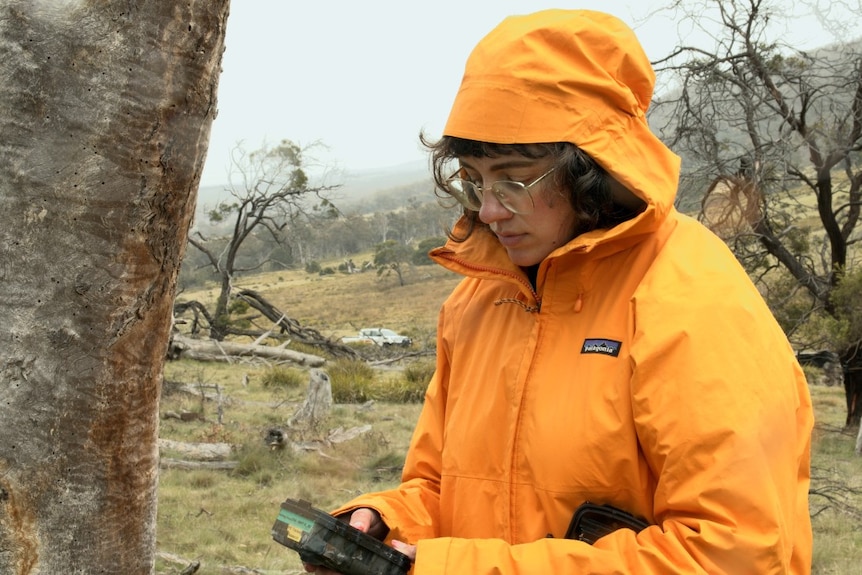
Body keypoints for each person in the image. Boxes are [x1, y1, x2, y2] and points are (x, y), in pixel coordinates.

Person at [307, 9, 814, 574]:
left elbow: (733, 552)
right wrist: (384, 523)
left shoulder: (691, 298)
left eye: (515, 180)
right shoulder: (478, 302)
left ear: (592, 168)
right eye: (474, 179)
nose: (491, 210)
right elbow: (440, 486)